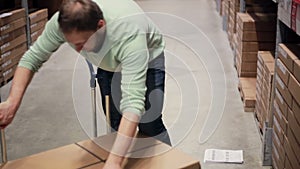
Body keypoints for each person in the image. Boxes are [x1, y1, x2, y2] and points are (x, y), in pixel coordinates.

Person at [0, 0, 171, 168]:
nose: (79, 50)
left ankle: (174, 164)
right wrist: (11, 103)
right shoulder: (63, 23)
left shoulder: (129, 33)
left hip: (148, 58)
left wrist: (114, 162)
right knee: (116, 125)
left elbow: (133, 103)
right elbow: (32, 59)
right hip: (109, 62)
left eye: (82, 43)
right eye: (73, 44)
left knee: (149, 123)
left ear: (100, 25)